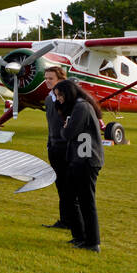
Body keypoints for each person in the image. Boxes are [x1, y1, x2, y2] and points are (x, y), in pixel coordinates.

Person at [55, 79, 104, 252]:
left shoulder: (81, 107)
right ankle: (80, 236)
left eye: (60, 95)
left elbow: (68, 133)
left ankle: (92, 242)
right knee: (69, 198)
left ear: (68, 93)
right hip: (79, 159)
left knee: (86, 202)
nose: (58, 99)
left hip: (86, 160)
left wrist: (65, 127)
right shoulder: (78, 106)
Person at [40, 67, 78, 239]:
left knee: (70, 188)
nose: (47, 81)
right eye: (46, 78)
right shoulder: (49, 99)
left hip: (67, 149)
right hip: (54, 147)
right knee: (60, 186)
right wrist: (50, 144)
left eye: (50, 78)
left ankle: (75, 223)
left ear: (61, 79)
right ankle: (65, 220)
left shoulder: (70, 100)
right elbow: (51, 126)